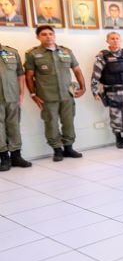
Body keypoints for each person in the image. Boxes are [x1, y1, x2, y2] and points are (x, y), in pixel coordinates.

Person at [24, 26, 85, 161]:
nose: (48, 37)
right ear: (38, 37)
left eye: (51, 34)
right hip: (47, 96)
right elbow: (29, 77)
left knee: (68, 122)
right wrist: (33, 95)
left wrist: (83, 87)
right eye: (44, 34)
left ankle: (68, 148)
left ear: (54, 35)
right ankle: (57, 149)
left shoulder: (66, 51)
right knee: (51, 123)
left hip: (67, 95)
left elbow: (77, 70)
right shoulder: (32, 54)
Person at [92, 32, 123, 148]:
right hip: (112, 92)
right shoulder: (103, 56)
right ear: (107, 41)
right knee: (116, 116)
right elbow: (96, 74)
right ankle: (119, 139)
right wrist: (94, 91)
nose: (115, 40)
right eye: (112, 39)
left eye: (117, 38)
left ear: (121, 40)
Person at [0, 43, 32, 170]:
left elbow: (20, 74)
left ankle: (16, 156)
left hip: (12, 96)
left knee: (14, 125)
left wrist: (21, 93)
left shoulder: (12, 52)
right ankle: (4, 158)